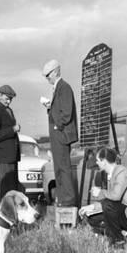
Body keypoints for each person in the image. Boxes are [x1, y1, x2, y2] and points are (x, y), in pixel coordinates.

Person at [80, 147, 127, 245]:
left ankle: (118, 240)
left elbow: (115, 197)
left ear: (104, 161)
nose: (97, 163)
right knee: (93, 217)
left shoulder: (121, 172)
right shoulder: (111, 175)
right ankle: (126, 234)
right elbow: (111, 200)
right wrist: (92, 207)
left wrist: (100, 192)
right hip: (125, 213)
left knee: (108, 205)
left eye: (98, 160)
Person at [41, 59, 78, 207]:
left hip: (61, 136)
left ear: (56, 72)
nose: (47, 78)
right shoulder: (59, 88)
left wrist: (58, 126)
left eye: (48, 75)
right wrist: (50, 107)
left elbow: (67, 113)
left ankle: (68, 202)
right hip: (58, 136)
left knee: (63, 169)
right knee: (59, 169)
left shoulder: (64, 87)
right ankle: (62, 200)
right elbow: (61, 110)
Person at [0, 84, 22, 199]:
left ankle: (11, 215)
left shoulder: (9, 110)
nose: (9, 101)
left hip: (11, 157)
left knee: (13, 191)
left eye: (11, 99)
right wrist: (13, 129)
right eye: (7, 98)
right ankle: (2, 214)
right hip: (2, 158)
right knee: (5, 192)